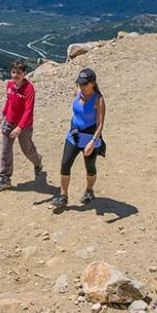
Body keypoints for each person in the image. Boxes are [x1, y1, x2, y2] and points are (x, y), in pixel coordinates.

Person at [50, 68, 106, 210]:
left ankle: (89, 190)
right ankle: (63, 196)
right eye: (80, 83)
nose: (81, 86)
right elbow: (76, 114)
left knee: (90, 168)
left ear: (92, 83)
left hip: (90, 139)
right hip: (74, 135)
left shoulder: (98, 99)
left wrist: (93, 142)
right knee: (65, 164)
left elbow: (100, 125)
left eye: (84, 84)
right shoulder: (77, 93)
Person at [0, 59, 44, 192]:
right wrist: (2, 116)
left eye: (18, 73)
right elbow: (8, 102)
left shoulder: (29, 89)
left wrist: (20, 127)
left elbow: (28, 111)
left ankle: (37, 162)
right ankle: (5, 178)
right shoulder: (9, 85)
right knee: (6, 150)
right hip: (9, 122)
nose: (15, 75)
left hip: (24, 125)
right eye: (13, 72)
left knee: (27, 149)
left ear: (24, 73)